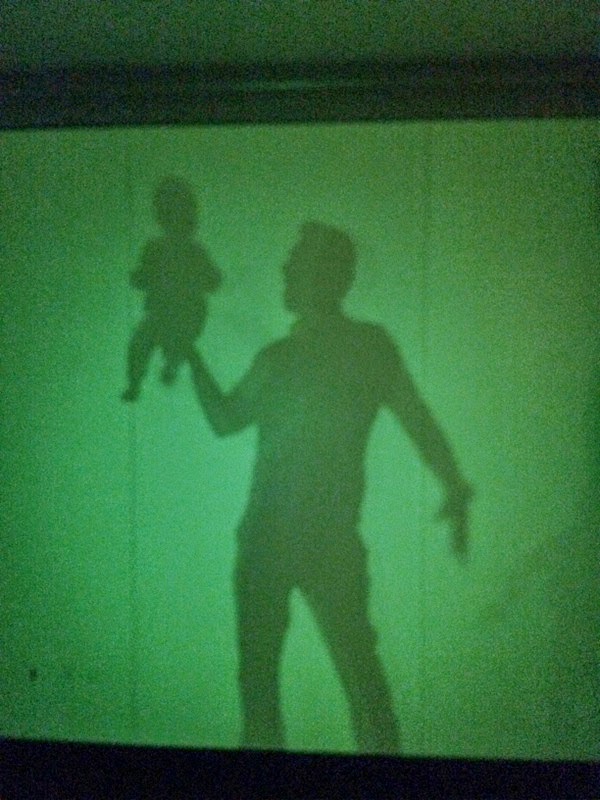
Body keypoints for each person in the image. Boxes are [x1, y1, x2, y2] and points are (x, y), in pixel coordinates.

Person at [187, 221, 472, 753]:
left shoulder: (282, 358)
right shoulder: (368, 349)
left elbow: (224, 419)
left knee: (262, 692)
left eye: (296, 263)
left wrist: (189, 355)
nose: (285, 270)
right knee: (363, 685)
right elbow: (419, 422)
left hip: (269, 538)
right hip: (330, 539)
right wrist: (454, 487)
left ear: (324, 276)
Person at [121, 177, 222, 401]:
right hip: (160, 315)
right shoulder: (155, 249)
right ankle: (136, 382)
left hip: (187, 315)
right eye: (168, 213)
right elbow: (144, 276)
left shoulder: (194, 252)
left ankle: (171, 365)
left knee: (174, 344)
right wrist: (140, 278)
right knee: (139, 345)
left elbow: (213, 280)